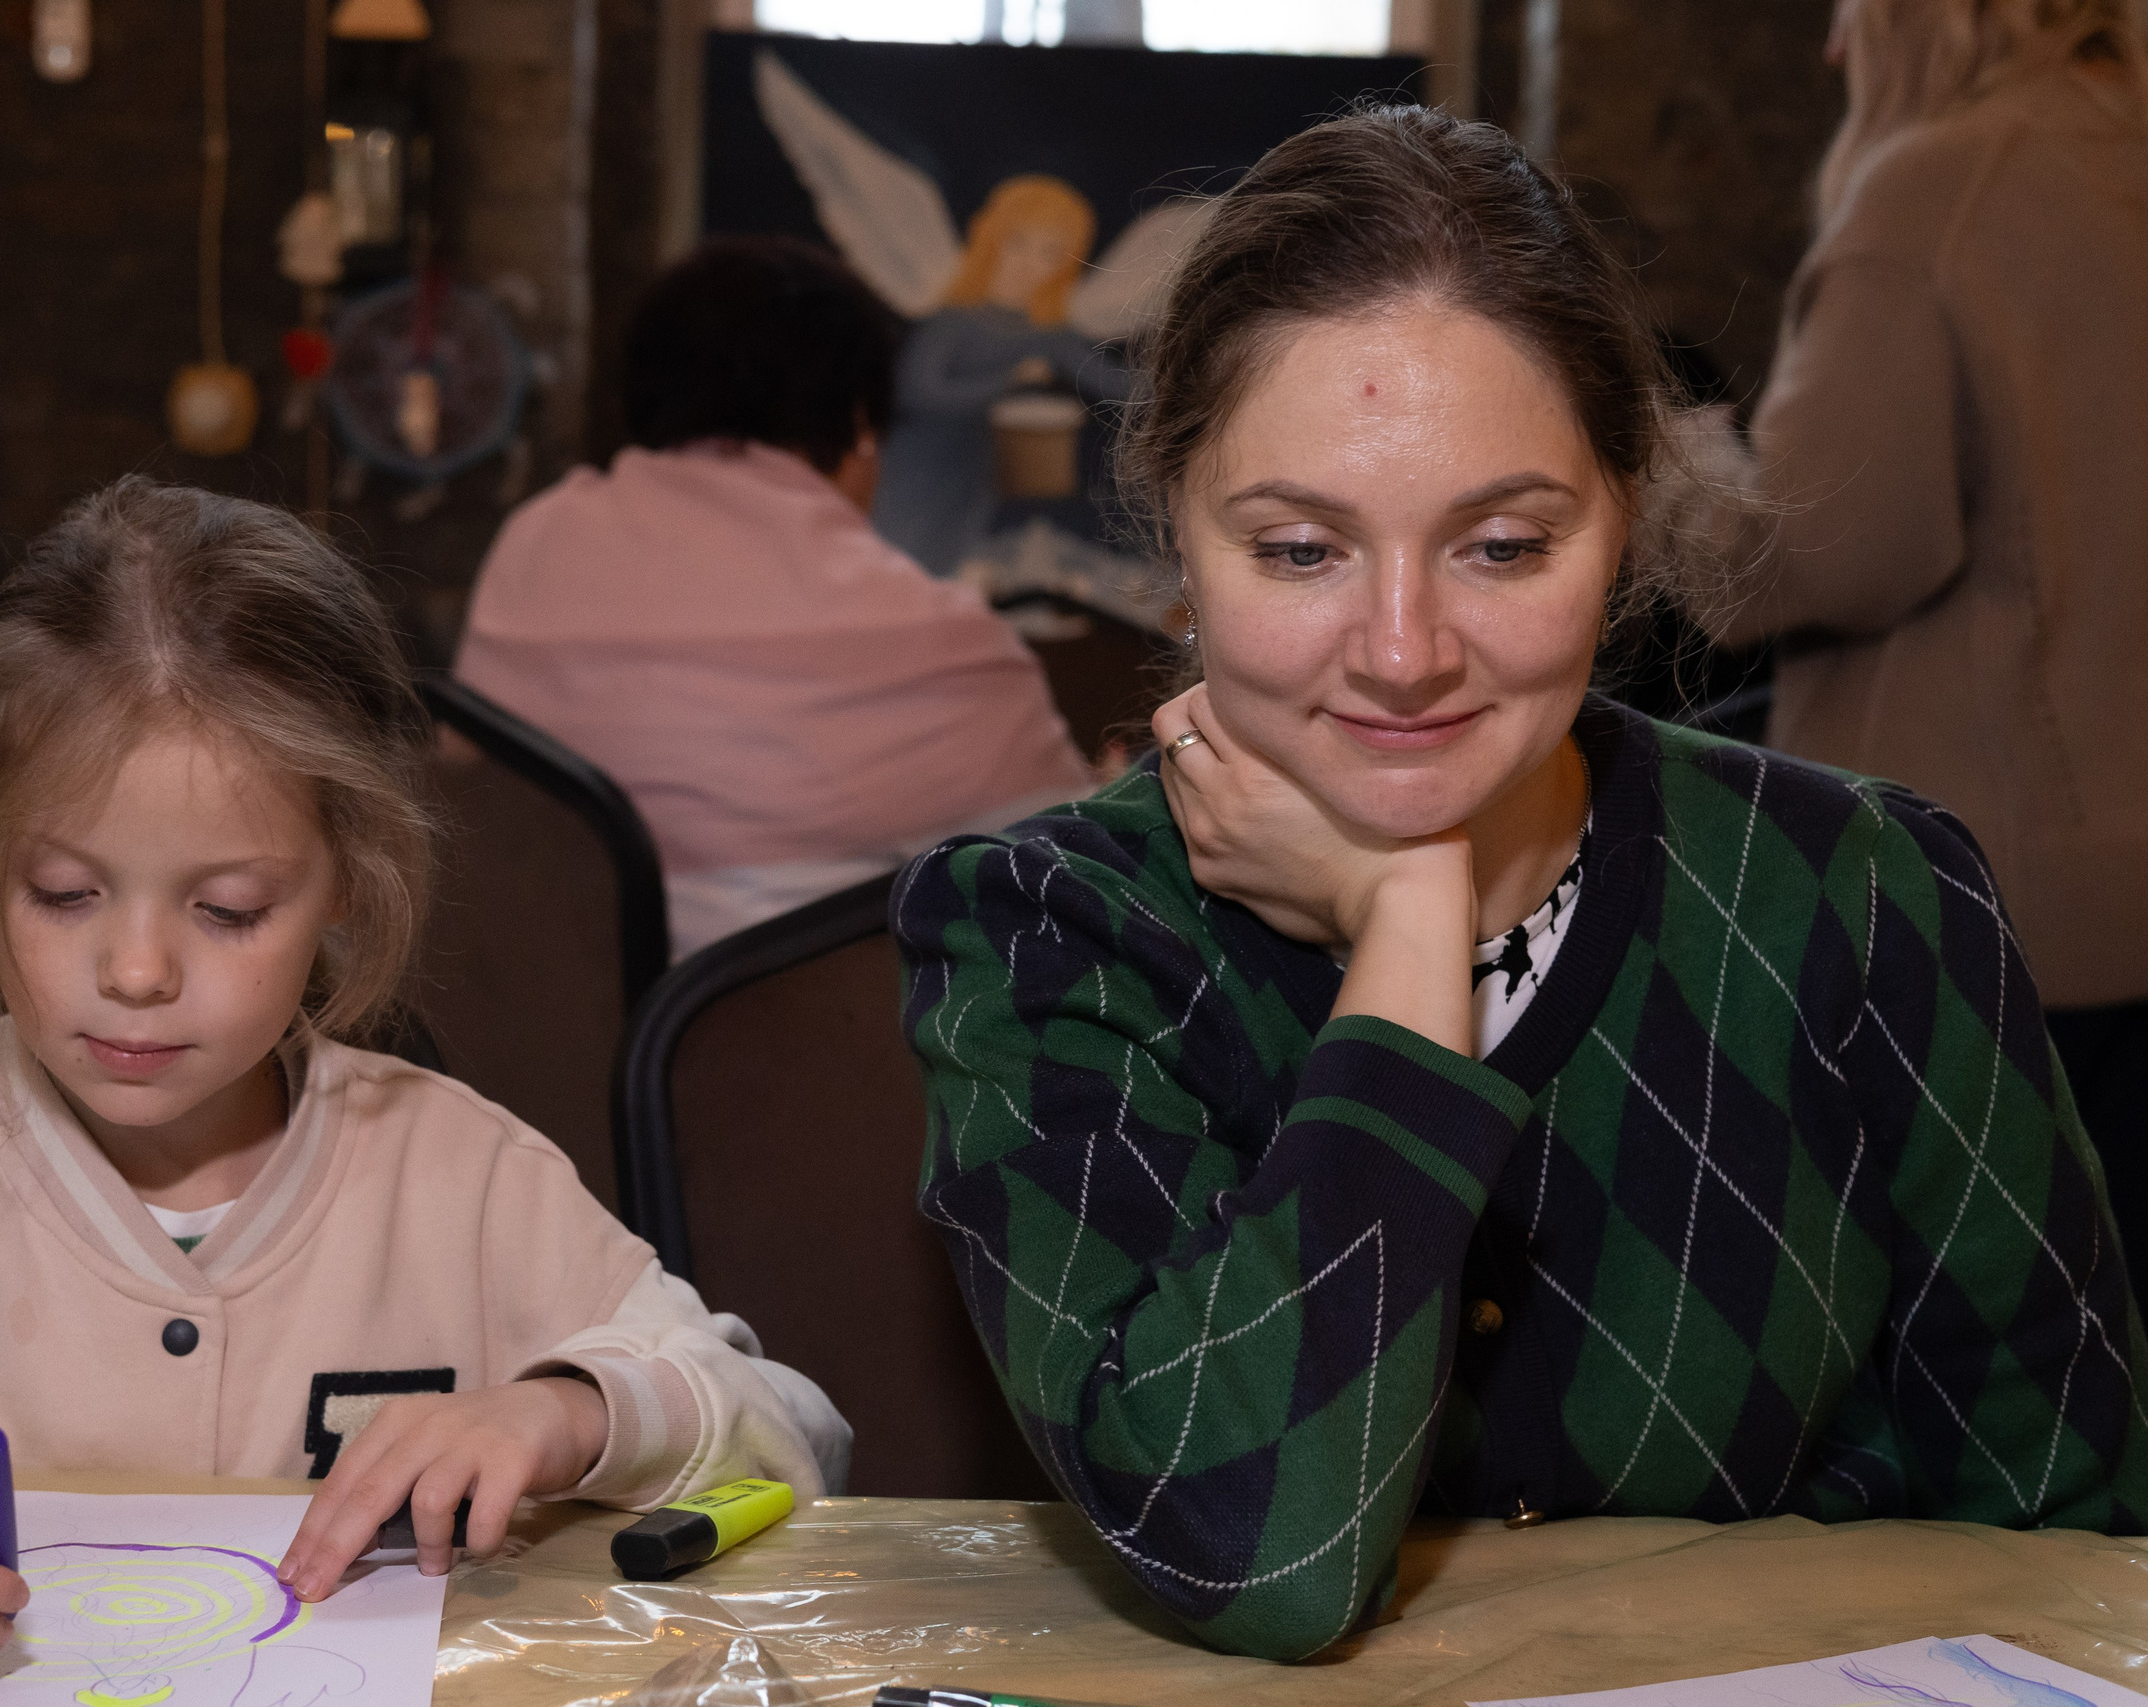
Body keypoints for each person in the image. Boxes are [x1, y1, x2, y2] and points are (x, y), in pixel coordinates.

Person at [892, 106, 2148, 1665]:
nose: (1406, 651)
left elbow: (2072, 1532)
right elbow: (1252, 1548)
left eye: (1500, 545)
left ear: (1623, 522)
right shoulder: (1045, 937)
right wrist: (1412, 924)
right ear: (1177, 533)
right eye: (1299, 550)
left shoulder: (1867, 891)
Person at [0, 479, 848, 1703]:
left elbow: (801, 1440)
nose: (136, 972)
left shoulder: (464, 1181)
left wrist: (572, 1411)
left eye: (229, 909)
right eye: (64, 893)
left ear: (346, 878)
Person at [1689, 0, 2148, 1253]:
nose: (1834, 48)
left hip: (1987, 921)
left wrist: (1654, 464)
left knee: (1981, 1393)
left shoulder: (1943, 189)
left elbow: (1798, 555)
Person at [457, 237, 1093, 959]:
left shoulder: (536, 540)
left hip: (522, 1015)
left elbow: (467, 770)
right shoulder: (923, 631)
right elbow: (1062, 869)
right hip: (792, 1056)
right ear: (858, 423)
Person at [870, 174, 1129, 577]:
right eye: (1017, 243)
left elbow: (1113, 383)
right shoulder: (955, 321)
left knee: (945, 574)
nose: (1028, 263)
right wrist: (1008, 381)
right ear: (991, 241)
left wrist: (1195, 388)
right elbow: (917, 393)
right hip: (916, 469)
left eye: (1049, 253)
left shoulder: (1049, 332)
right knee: (894, 567)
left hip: (974, 474)